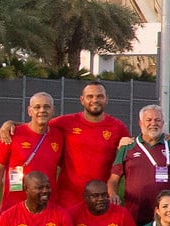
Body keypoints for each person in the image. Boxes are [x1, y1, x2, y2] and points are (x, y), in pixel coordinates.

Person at [47, 81, 129, 212]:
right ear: (82, 100)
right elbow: (37, 127)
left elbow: (130, 157)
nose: (95, 100)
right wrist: (12, 124)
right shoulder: (65, 122)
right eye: (90, 96)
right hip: (68, 200)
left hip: (101, 200)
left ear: (106, 99)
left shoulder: (118, 127)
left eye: (99, 96)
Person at [109, 104, 170, 226]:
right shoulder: (128, 147)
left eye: (157, 120)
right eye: (149, 120)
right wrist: (112, 194)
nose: (153, 123)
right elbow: (113, 179)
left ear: (163, 123)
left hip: (167, 214)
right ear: (140, 123)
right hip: (135, 214)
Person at [0, 91, 67, 210]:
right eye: (37, 107)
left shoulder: (59, 136)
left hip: (47, 206)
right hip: (14, 206)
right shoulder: (12, 134)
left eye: (47, 107)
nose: (42, 110)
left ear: (53, 111)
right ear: (29, 111)